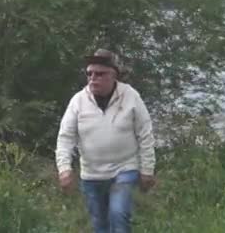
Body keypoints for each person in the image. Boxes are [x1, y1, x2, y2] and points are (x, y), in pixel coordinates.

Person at [56, 48, 156, 233]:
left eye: (100, 74)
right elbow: (65, 138)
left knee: (119, 215)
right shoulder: (78, 101)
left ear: (113, 76)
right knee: (99, 224)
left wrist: (147, 170)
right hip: (92, 175)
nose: (93, 78)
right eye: (89, 74)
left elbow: (145, 133)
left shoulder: (130, 96)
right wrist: (64, 170)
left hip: (125, 169)